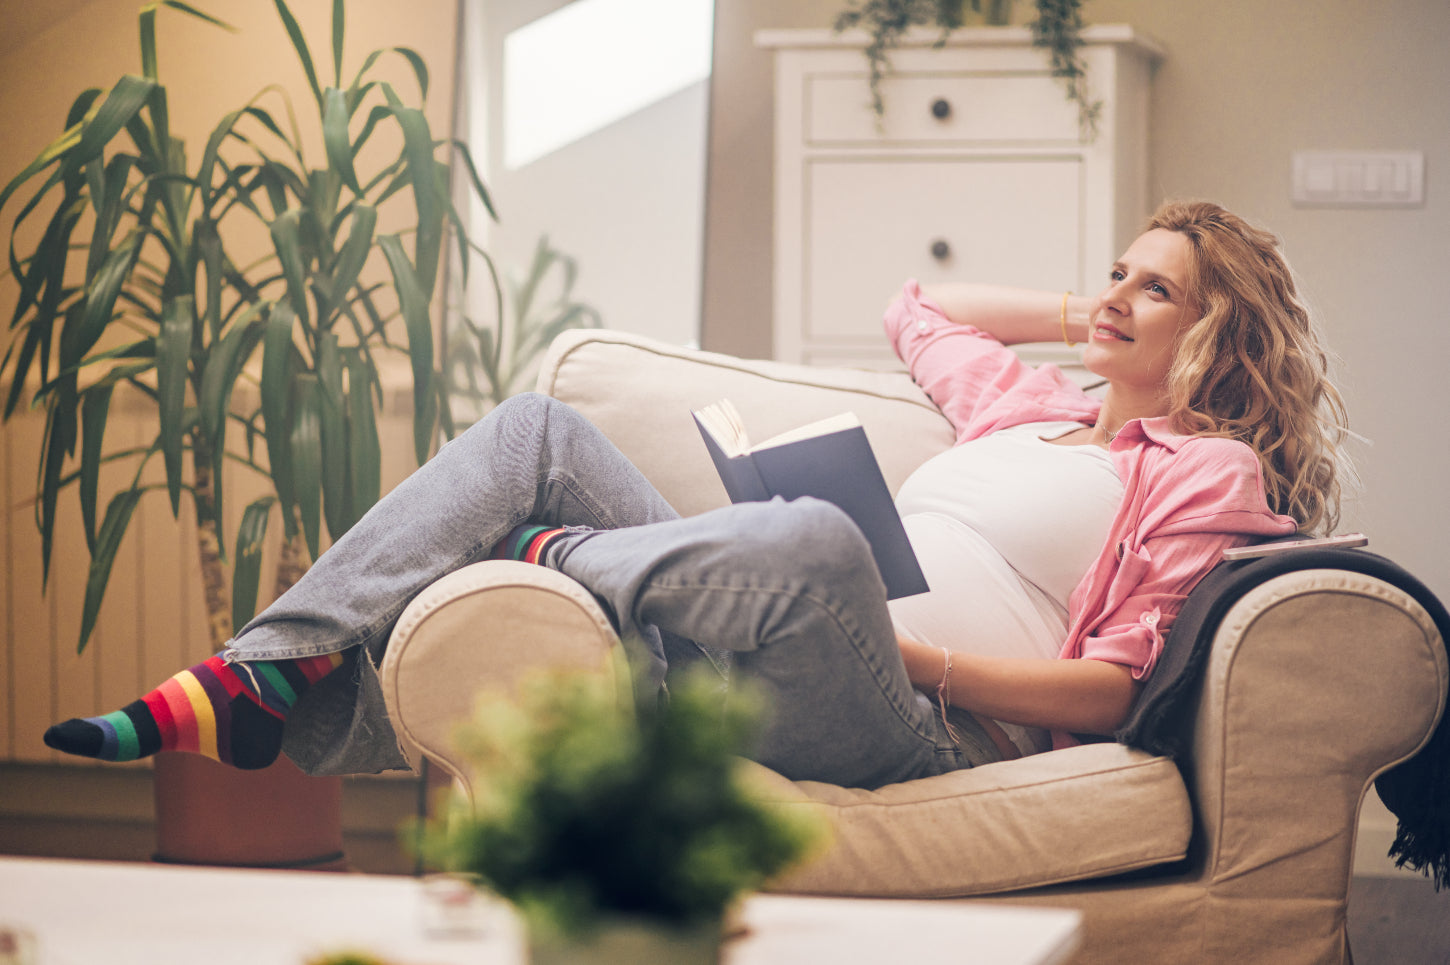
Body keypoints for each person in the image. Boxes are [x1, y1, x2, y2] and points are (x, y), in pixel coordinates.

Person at [44, 200, 1350, 789]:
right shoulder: (1026, 404)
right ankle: (257, 672)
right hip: (774, 630)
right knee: (534, 424)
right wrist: (1089, 305)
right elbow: (918, 305)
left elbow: (1118, 685)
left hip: (913, 714)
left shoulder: (1203, 472)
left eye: (1152, 290)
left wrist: (921, 654)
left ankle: (557, 554)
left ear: (1215, 334)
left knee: (821, 537)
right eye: (1109, 276)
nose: (1111, 301)